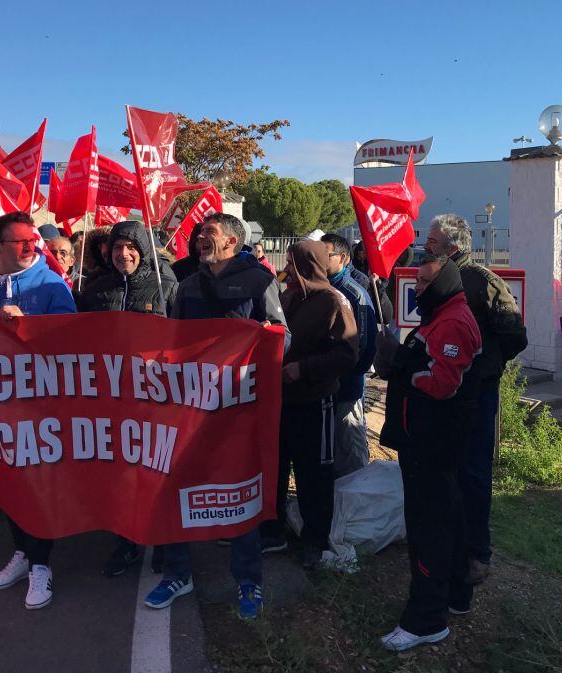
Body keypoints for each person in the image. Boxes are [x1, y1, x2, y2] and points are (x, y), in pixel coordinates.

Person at [144, 213, 285, 621]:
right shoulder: (186, 287)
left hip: (237, 409)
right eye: (199, 232)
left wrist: (263, 335)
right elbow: (170, 344)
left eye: (209, 232)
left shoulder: (259, 281)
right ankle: (177, 574)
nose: (199, 237)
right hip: (188, 408)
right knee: (174, 487)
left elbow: (283, 336)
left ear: (233, 242)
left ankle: (248, 580)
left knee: (239, 491)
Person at [0, 211, 76, 610]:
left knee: (37, 483)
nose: (31, 246)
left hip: (39, 405)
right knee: (7, 480)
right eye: (21, 241)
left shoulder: (50, 284)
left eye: (33, 241)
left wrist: (29, 327)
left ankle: (42, 563)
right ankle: (23, 554)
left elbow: (72, 341)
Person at [374, 254, 482, 652]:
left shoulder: (452, 320)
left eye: (424, 283)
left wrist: (399, 368)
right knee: (448, 516)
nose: (418, 289)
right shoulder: (440, 315)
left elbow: (440, 383)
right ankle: (455, 595)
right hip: (428, 440)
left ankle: (425, 620)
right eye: (416, 282)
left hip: (431, 441)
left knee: (428, 530)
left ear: (445, 283)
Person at [424, 215, 527, 584]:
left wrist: (484, 366)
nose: (426, 245)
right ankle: (446, 543)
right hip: (441, 391)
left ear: (453, 247)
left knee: (473, 472)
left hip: (475, 394)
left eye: (433, 240)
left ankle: (476, 554)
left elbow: (515, 335)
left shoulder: (484, 282)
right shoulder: (432, 275)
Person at [78, 220, 178, 577]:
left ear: (144, 249)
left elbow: (185, 337)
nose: (124, 254)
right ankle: (126, 543)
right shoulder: (94, 289)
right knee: (120, 475)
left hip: (156, 397)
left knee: (157, 471)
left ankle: (165, 543)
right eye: (118, 247)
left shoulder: (165, 285)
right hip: (110, 398)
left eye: (131, 247)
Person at [261, 240, 358, 569]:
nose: (287, 269)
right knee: (276, 466)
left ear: (309, 265)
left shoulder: (334, 301)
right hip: (282, 401)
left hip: (316, 403)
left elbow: (347, 354)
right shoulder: (287, 297)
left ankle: (315, 540)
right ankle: (274, 531)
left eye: (292, 262)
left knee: (314, 473)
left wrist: (303, 369)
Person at [320, 234, 376, 477]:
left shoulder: (355, 294)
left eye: (326, 254)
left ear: (342, 258)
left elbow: (364, 347)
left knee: (351, 450)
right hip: (324, 389)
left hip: (347, 389)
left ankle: (356, 505)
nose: (320, 259)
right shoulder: (322, 287)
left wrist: (343, 374)